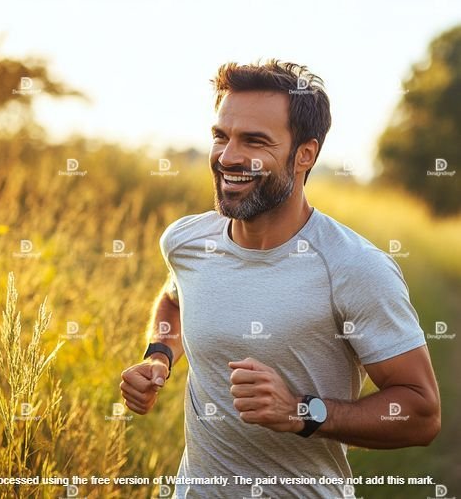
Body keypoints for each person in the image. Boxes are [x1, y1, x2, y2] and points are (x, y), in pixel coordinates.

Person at [120, 60, 441, 499]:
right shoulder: (187, 242)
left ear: (304, 154)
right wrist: (159, 356)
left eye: (253, 140)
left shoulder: (354, 267)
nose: (228, 156)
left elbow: (422, 413)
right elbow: (176, 297)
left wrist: (301, 411)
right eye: (221, 135)